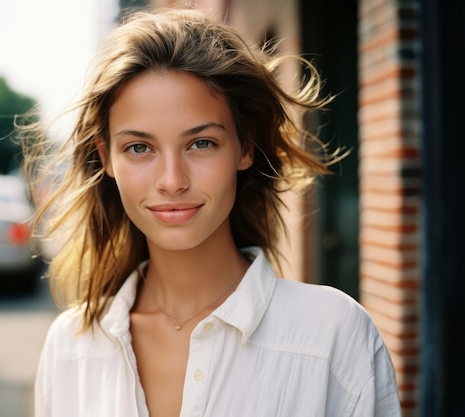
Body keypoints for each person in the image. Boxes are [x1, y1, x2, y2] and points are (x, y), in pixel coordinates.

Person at [23, 8, 401, 417]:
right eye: (139, 148)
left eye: (201, 143)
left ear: (244, 147)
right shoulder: (70, 347)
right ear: (106, 158)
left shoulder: (332, 336)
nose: (171, 180)